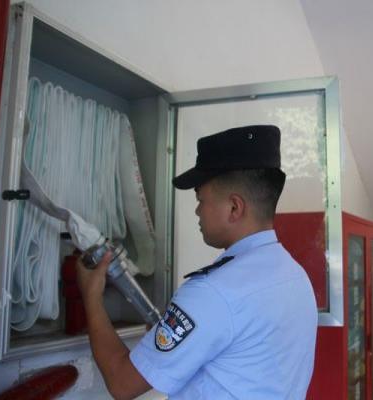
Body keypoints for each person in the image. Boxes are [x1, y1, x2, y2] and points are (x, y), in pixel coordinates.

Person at [77, 125, 318, 399]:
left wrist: (91, 296)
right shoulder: (295, 277)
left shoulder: (214, 291)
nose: (197, 210)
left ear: (234, 207)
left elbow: (122, 383)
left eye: (201, 199)